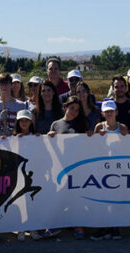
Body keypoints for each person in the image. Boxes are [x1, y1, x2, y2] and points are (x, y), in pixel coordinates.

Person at [46, 96, 90, 239]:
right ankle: (53, 225)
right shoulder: (56, 124)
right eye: (72, 108)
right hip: (60, 166)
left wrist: (91, 135)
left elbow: (89, 143)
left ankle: (78, 226)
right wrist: (49, 136)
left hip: (77, 166)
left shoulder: (82, 124)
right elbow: (49, 145)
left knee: (76, 197)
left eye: (77, 110)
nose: (74, 112)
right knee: (58, 196)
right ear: (65, 107)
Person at [0, 73, 29, 138]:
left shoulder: (22, 106)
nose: (4, 86)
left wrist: (14, 132)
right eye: (1, 84)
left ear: (11, 85)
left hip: (17, 142)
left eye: (6, 83)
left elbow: (27, 128)